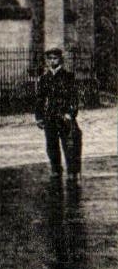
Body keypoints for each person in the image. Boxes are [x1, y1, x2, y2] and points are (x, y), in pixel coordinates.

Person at [35, 48, 80, 178]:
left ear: (60, 59)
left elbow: (74, 97)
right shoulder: (44, 78)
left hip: (64, 116)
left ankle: (72, 171)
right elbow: (40, 99)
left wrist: (71, 113)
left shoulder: (68, 77)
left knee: (69, 145)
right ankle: (56, 169)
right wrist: (39, 117)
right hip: (50, 116)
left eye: (54, 58)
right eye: (49, 58)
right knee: (51, 145)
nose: (52, 61)